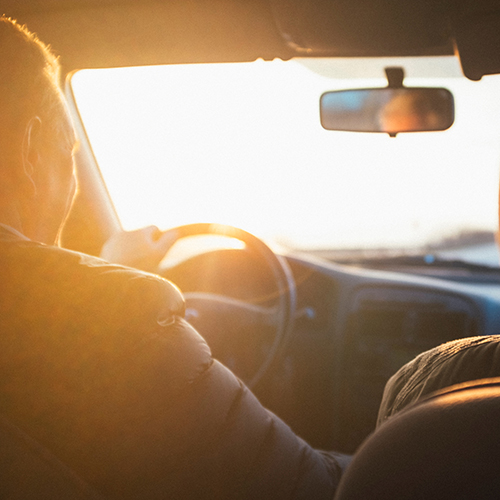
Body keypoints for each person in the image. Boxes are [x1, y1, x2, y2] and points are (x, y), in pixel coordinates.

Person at [0, 16, 346, 499]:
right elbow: (314, 489)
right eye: (69, 153)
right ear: (30, 154)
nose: (74, 186)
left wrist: (110, 268)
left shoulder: (74, 313)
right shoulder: (122, 327)